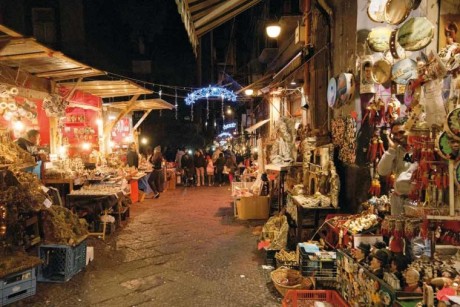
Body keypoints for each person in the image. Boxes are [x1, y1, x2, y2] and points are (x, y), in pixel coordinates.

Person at [377, 117, 418, 215]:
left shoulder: (419, 148)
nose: (398, 136)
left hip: (415, 201)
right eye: (395, 134)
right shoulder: (396, 150)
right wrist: (391, 150)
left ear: (409, 131)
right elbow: (382, 171)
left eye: (401, 132)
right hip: (398, 201)